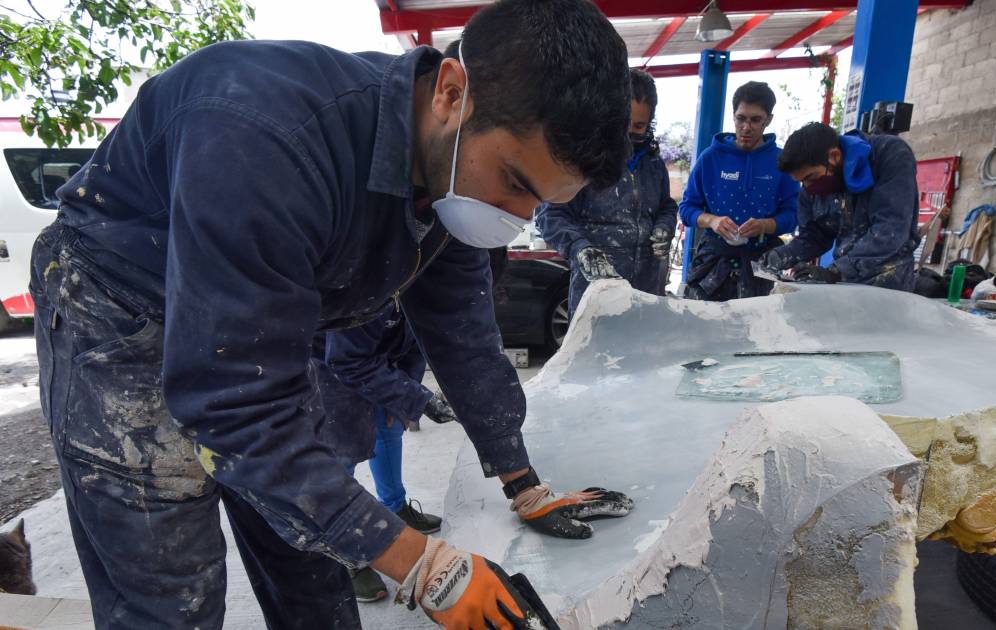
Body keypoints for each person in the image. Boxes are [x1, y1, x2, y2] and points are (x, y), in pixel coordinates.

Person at [29, 1, 635, 628]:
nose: (514, 216)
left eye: (538, 204)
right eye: (514, 181)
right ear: (452, 93)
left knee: (314, 570)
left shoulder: (451, 173)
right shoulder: (268, 138)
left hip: (253, 328)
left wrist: (522, 482)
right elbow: (233, 404)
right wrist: (424, 565)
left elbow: (464, 337)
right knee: (171, 595)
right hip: (120, 314)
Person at [312, 305, 453, 602]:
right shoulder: (358, 288)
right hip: (330, 359)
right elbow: (346, 360)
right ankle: (345, 548)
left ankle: (395, 507)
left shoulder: (418, 285)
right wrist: (419, 400)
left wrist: (405, 394)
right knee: (342, 448)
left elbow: (416, 343)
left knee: (389, 426)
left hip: (379, 355)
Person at [537, 68, 678, 318]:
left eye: (640, 126)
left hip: (647, 293)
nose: (630, 133)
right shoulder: (585, 160)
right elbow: (551, 215)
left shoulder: (654, 164)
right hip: (597, 296)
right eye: (625, 122)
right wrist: (580, 249)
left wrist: (665, 226)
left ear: (650, 123)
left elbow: (666, 206)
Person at [678, 81, 800, 301]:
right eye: (741, 118)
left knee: (757, 321)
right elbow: (686, 209)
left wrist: (765, 225)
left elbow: (793, 216)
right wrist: (712, 221)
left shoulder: (782, 162)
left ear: (768, 120)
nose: (746, 127)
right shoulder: (710, 158)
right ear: (733, 116)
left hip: (761, 265)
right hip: (713, 263)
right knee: (702, 320)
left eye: (755, 120)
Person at [763, 122, 920, 291]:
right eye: (802, 181)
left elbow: (890, 230)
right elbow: (814, 237)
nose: (807, 187)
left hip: (888, 283)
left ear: (834, 156)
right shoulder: (810, 189)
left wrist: (836, 271)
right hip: (846, 283)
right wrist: (782, 255)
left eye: (811, 178)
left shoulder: (888, 154)